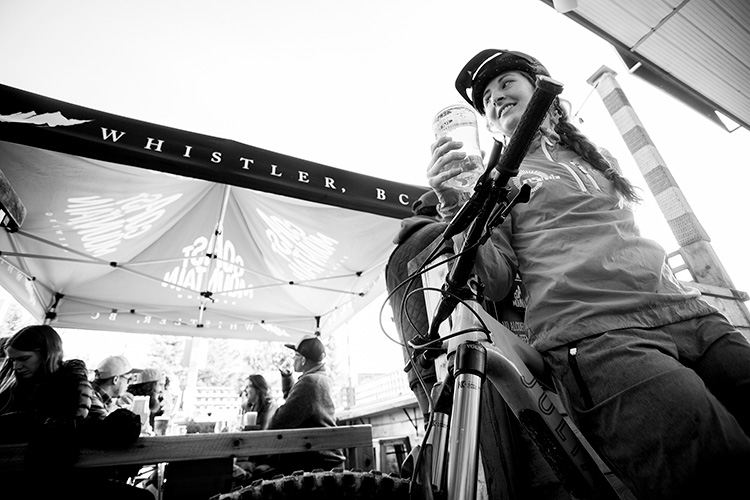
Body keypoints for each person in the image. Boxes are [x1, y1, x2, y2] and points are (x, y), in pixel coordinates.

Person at [426, 49, 750, 500]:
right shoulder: (497, 176)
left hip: (687, 312)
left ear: (545, 91)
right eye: (484, 101)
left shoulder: (595, 157)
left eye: (505, 85)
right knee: (717, 468)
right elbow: (497, 281)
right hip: (598, 335)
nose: (494, 99)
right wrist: (457, 208)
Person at [0, 325, 149, 500]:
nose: (16, 366)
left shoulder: (71, 387)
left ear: (47, 354)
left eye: (23, 358)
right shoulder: (12, 387)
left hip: (49, 476)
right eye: (12, 360)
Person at [384, 190, 446, 422]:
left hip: (415, 366)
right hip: (448, 359)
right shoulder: (441, 232)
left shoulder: (394, 256)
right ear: (441, 209)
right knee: (471, 445)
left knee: (439, 443)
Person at [260, 335, 345, 476]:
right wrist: (287, 378)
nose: (293, 359)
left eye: (296, 355)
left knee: (253, 477)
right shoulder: (320, 378)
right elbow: (297, 407)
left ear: (304, 360)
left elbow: (278, 423)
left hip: (315, 464)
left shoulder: (309, 383)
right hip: (322, 457)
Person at [89, 354, 138, 419]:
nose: (128, 384)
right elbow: (109, 426)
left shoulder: (99, 398)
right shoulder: (93, 401)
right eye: (128, 379)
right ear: (115, 379)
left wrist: (118, 403)